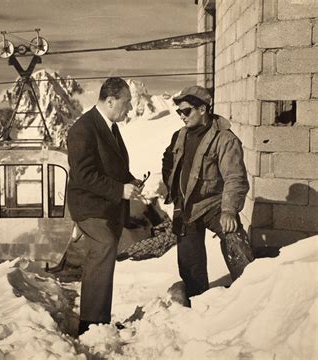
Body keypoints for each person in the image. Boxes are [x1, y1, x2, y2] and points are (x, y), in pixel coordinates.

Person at [162, 85, 254, 303]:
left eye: (186, 112)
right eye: (179, 112)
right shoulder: (179, 136)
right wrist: (175, 194)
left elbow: (235, 177)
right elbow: (168, 162)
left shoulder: (225, 139)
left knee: (233, 237)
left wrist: (229, 210)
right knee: (190, 266)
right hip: (186, 208)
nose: (182, 117)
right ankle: (198, 303)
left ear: (202, 109)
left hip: (214, 204)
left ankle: (250, 294)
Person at [67, 77, 143, 336]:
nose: (130, 109)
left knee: (103, 255)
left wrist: (129, 179)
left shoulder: (108, 125)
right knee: (104, 247)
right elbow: (83, 175)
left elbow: (112, 165)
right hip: (89, 206)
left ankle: (97, 320)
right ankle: (91, 325)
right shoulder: (83, 129)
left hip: (104, 204)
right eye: (127, 103)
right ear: (110, 101)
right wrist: (120, 190)